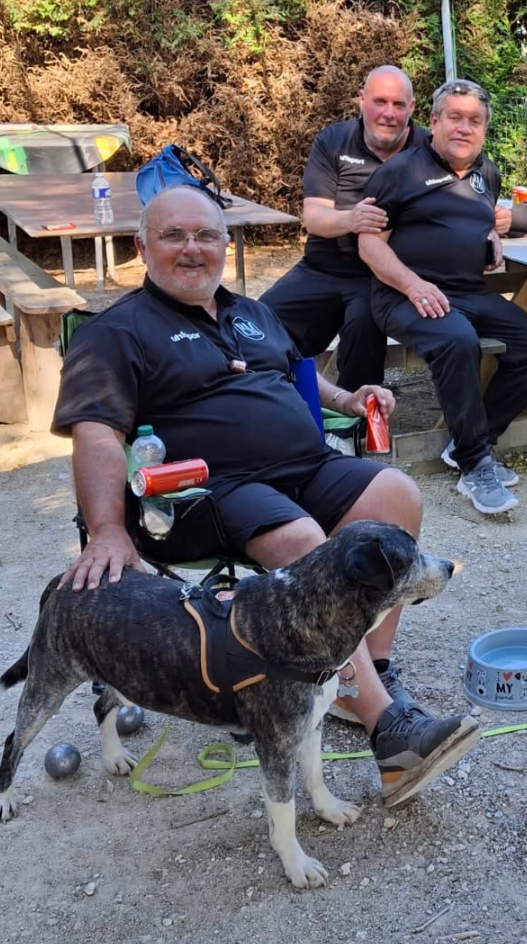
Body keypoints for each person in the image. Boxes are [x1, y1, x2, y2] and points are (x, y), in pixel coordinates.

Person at [52, 185, 481, 808]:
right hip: (210, 490)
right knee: (307, 546)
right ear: (142, 246)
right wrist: (108, 528)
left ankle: (364, 676)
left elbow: (298, 378)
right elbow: (95, 434)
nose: (191, 249)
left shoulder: (253, 312)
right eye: (173, 236)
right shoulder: (116, 333)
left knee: (396, 493)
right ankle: (391, 737)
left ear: (226, 245)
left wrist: (350, 400)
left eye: (205, 235)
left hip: (304, 465)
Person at [358, 79, 527, 515]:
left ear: (484, 129)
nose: (465, 128)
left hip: (467, 291)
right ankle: (474, 465)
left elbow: (480, 221)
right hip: (402, 295)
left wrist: (491, 237)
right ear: (433, 121)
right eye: (455, 117)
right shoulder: (399, 172)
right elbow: (368, 244)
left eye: (475, 121)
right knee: (457, 340)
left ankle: (472, 443)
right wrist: (413, 285)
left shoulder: (487, 172)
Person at [257, 66, 425, 391]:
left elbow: (462, 196)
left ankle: (356, 425)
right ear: (361, 100)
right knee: (258, 323)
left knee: (364, 325)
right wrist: (352, 219)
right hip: (321, 268)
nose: (388, 113)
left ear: (412, 108)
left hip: (380, 278)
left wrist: (492, 224)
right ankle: (280, 403)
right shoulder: (334, 140)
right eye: (379, 101)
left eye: (398, 104)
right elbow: (314, 216)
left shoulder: (428, 149)